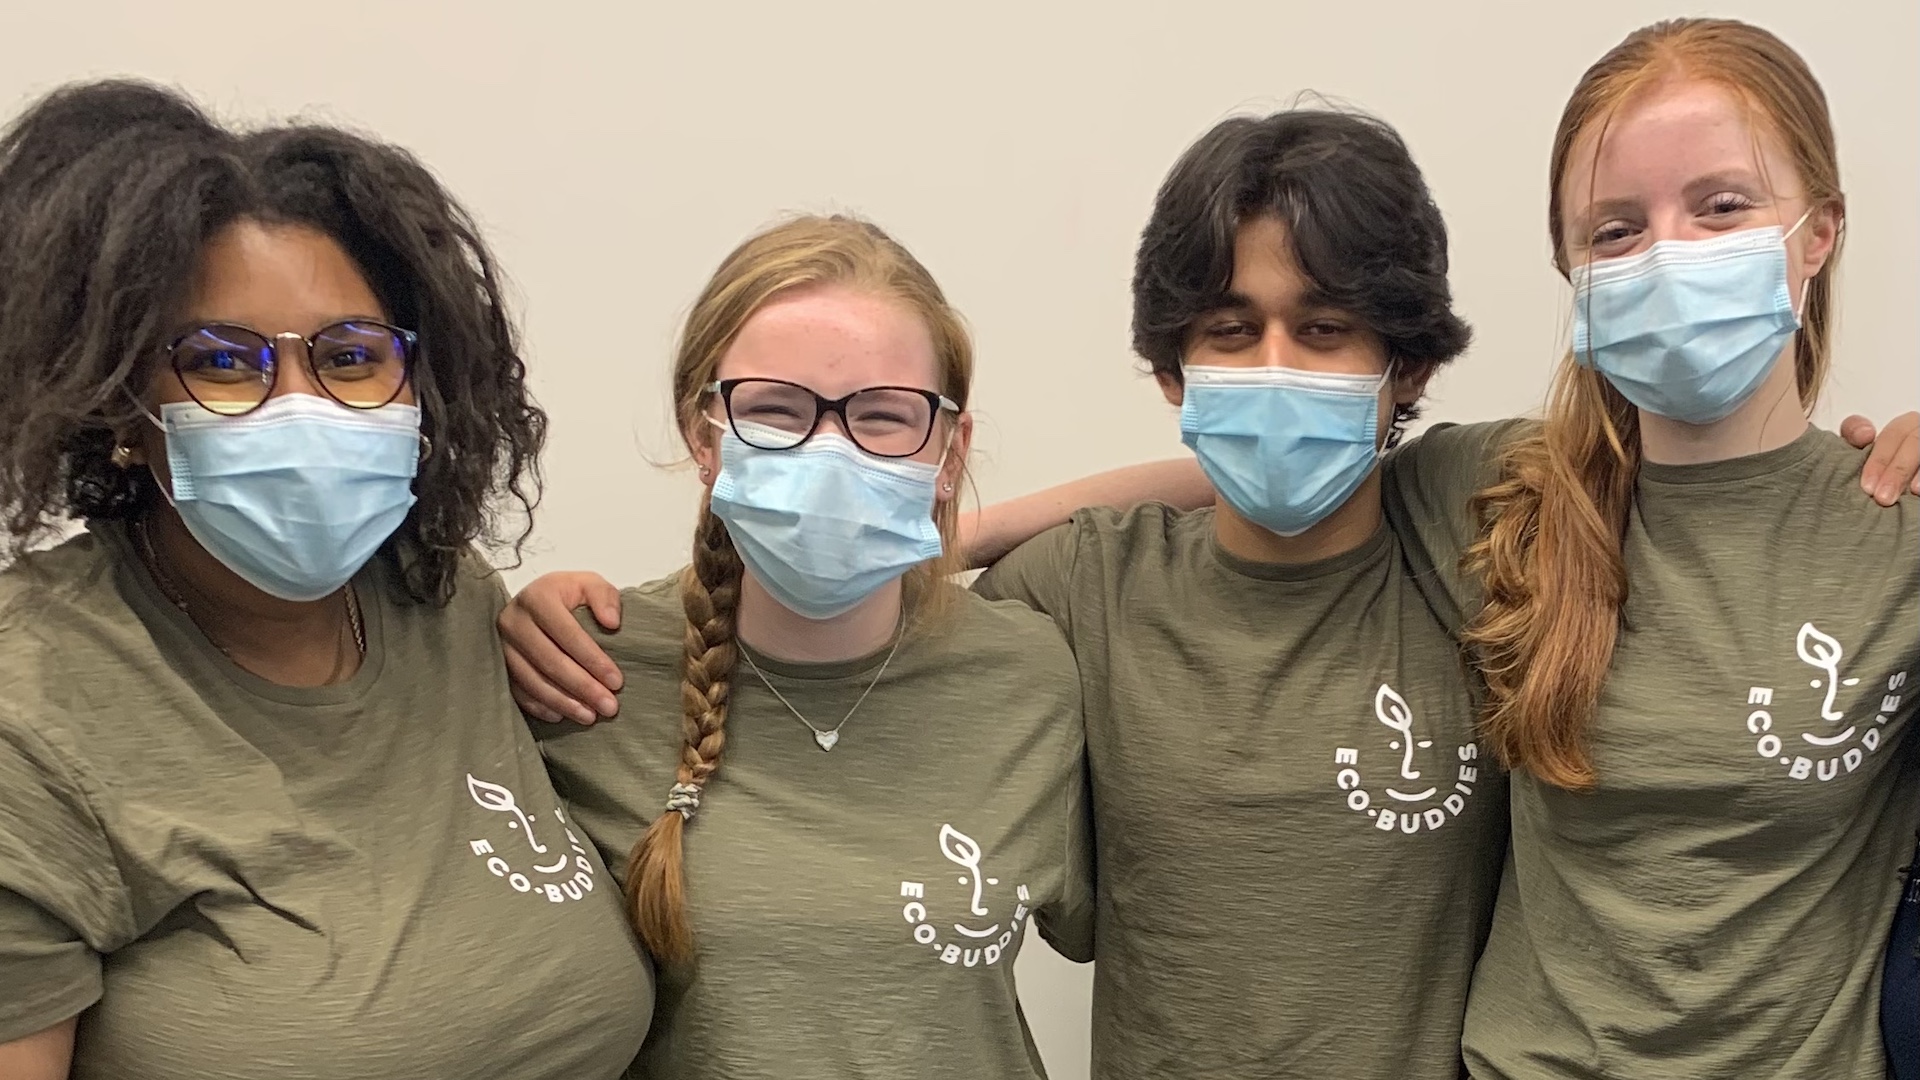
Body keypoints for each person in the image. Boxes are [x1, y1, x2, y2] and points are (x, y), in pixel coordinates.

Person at [508, 111, 1507, 1079]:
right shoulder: (1070, 598)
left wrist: (951, 539)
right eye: (1231, 332)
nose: (1277, 374)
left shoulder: (1469, 531)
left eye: (1326, 329)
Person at [0, 81, 652, 1079]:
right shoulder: (31, 713)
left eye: (351, 356)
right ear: (124, 404)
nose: (301, 409)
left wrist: (951, 524)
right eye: (223, 362)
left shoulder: (440, 595)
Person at [1371, 18, 1919, 1078]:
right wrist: (976, 523)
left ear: (1819, 233)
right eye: (1615, 231)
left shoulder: (1892, 527)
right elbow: (1285, 473)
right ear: (1571, 270)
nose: (1667, 254)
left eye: (1720, 207)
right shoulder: (1503, 492)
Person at [526, 214, 1094, 1079]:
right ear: (703, 435)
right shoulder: (585, 671)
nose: (829, 453)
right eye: (774, 412)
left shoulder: (1033, 677)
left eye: (883, 416)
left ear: (950, 449)